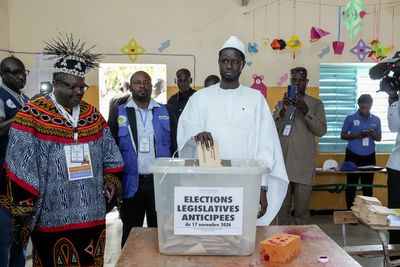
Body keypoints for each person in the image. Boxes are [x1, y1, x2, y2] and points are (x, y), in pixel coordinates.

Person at [4, 34, 124, 267]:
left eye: (82, 87)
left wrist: (111, 179)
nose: (79, 92)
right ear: (56, 83)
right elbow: (20, 162)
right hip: (51, 213)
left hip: (91, 212)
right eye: (73, 87)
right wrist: (25, 206)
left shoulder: (92, 115)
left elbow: (110, 152)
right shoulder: (31, 115)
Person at [177, 36, 289, 226]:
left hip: (246, 184)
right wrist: (196, 135)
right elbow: (187, 128)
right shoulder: (200, 98)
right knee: (211, 235)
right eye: (225, 61)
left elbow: (265, 145)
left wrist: (262, 187)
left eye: (235, 61)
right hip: (208, 185)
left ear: (242, 64)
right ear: (219, 62)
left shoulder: (256, 99)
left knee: (242, 236)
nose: (229, 65)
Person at [108, 71, 177, 248]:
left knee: (161, 233)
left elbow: (176, 146)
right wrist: (114, 181)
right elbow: (111, 148)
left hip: (159, 183)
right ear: (130, 87)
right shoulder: (119, 113)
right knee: (131, 234)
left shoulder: (166, 111)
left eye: (146, 82)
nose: (142, 86)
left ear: (151, 86)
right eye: (137, 82)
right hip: (132, 183)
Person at [273, 67, 327, 225]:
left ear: (307, 82)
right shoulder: (281, 104)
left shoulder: (316, 104)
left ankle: (303, 246)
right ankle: (282, 244)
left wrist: (304, 109)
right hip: (283, 165)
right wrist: (283, 111)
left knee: (302, 213)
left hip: (304, 165)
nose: (297, 83)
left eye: (301, 80)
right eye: (294, 80)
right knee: (282, 211)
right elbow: (272, 129)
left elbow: (321, 130)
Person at [0, 56, 30, 267]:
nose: (21, 77)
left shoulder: (24, 99)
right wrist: (25, 113)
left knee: (21, 235)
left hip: (24, 175)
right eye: (15, 73)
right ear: (3, 74)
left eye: (23, 73)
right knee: (4, 237)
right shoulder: (1, 97)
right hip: (4, 175)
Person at [341, 94, 381, 209]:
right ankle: (350, 212)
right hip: (352, 155)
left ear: (371, 106)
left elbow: (379, 138)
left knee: (367, 186)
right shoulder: (350, 118)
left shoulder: (376, 120)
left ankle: (367, 213)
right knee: (351, 185)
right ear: (358, 105)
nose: (365, 110)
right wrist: (356, 135)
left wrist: (373, 134)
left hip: (369, 156)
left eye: (367, 107)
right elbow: (343, 135)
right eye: (362, 107)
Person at [385, 88, 400, 250]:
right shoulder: (398, 97)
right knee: (397, 213)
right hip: (398, 166)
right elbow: (394, 127)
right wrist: (393, 98)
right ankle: (396, 253)